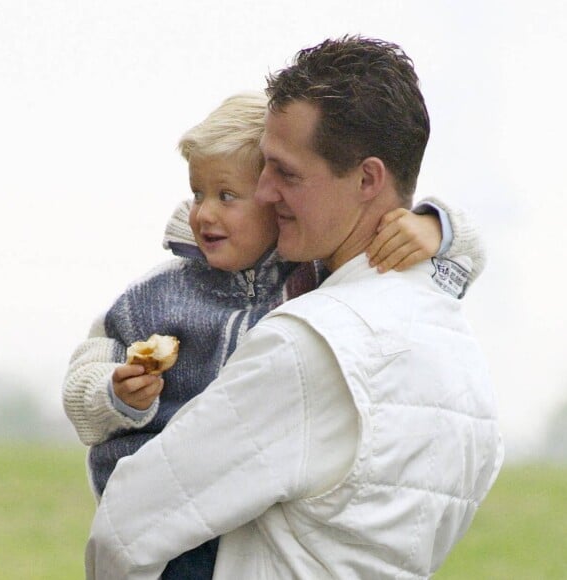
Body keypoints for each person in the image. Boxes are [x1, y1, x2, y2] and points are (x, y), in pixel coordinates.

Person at [83, 43, 502, 577]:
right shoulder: (460, 355)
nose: (263, 191)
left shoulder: (307, 344)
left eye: (285, 172)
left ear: (368, 180)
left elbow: (125, 528)